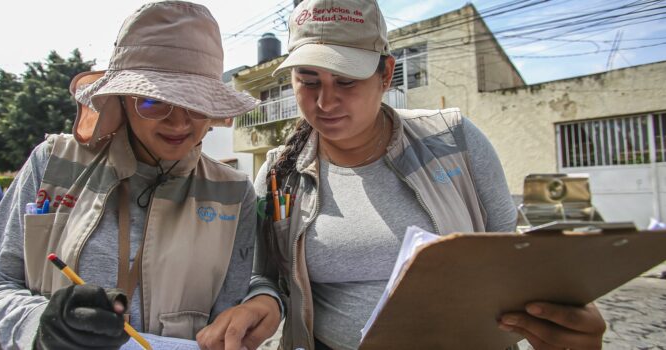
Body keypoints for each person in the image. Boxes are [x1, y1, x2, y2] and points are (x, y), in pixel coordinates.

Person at [196, 0, 607, 349]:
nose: (326, 101)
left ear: (386, 74)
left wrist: (559, 316)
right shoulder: (279, 173)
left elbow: (510, 259)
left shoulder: (453, 141)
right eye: (308, 82)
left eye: (346, 80)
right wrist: (261, 301)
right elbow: (263, 273)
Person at [0, 2, 261, 349]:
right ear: (120, 101)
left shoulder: (234, 193)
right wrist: (38, 328)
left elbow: (230, 319)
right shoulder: (52, 163)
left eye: (198, 104)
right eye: (152, 102)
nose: (178, 123)